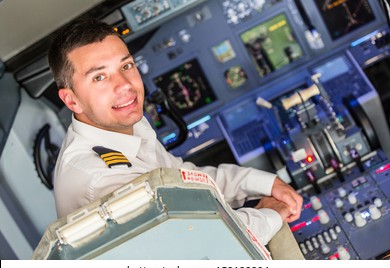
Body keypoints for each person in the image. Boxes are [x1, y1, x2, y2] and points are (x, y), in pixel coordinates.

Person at [48, 18, 303, 246]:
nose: (125, 86)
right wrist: (270, 214)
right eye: (99, 78)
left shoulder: (125, 123)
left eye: (126, 66)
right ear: (71, 101)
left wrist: (263, 183)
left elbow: (186, 181)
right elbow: (200, 240)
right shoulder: (98, 177)